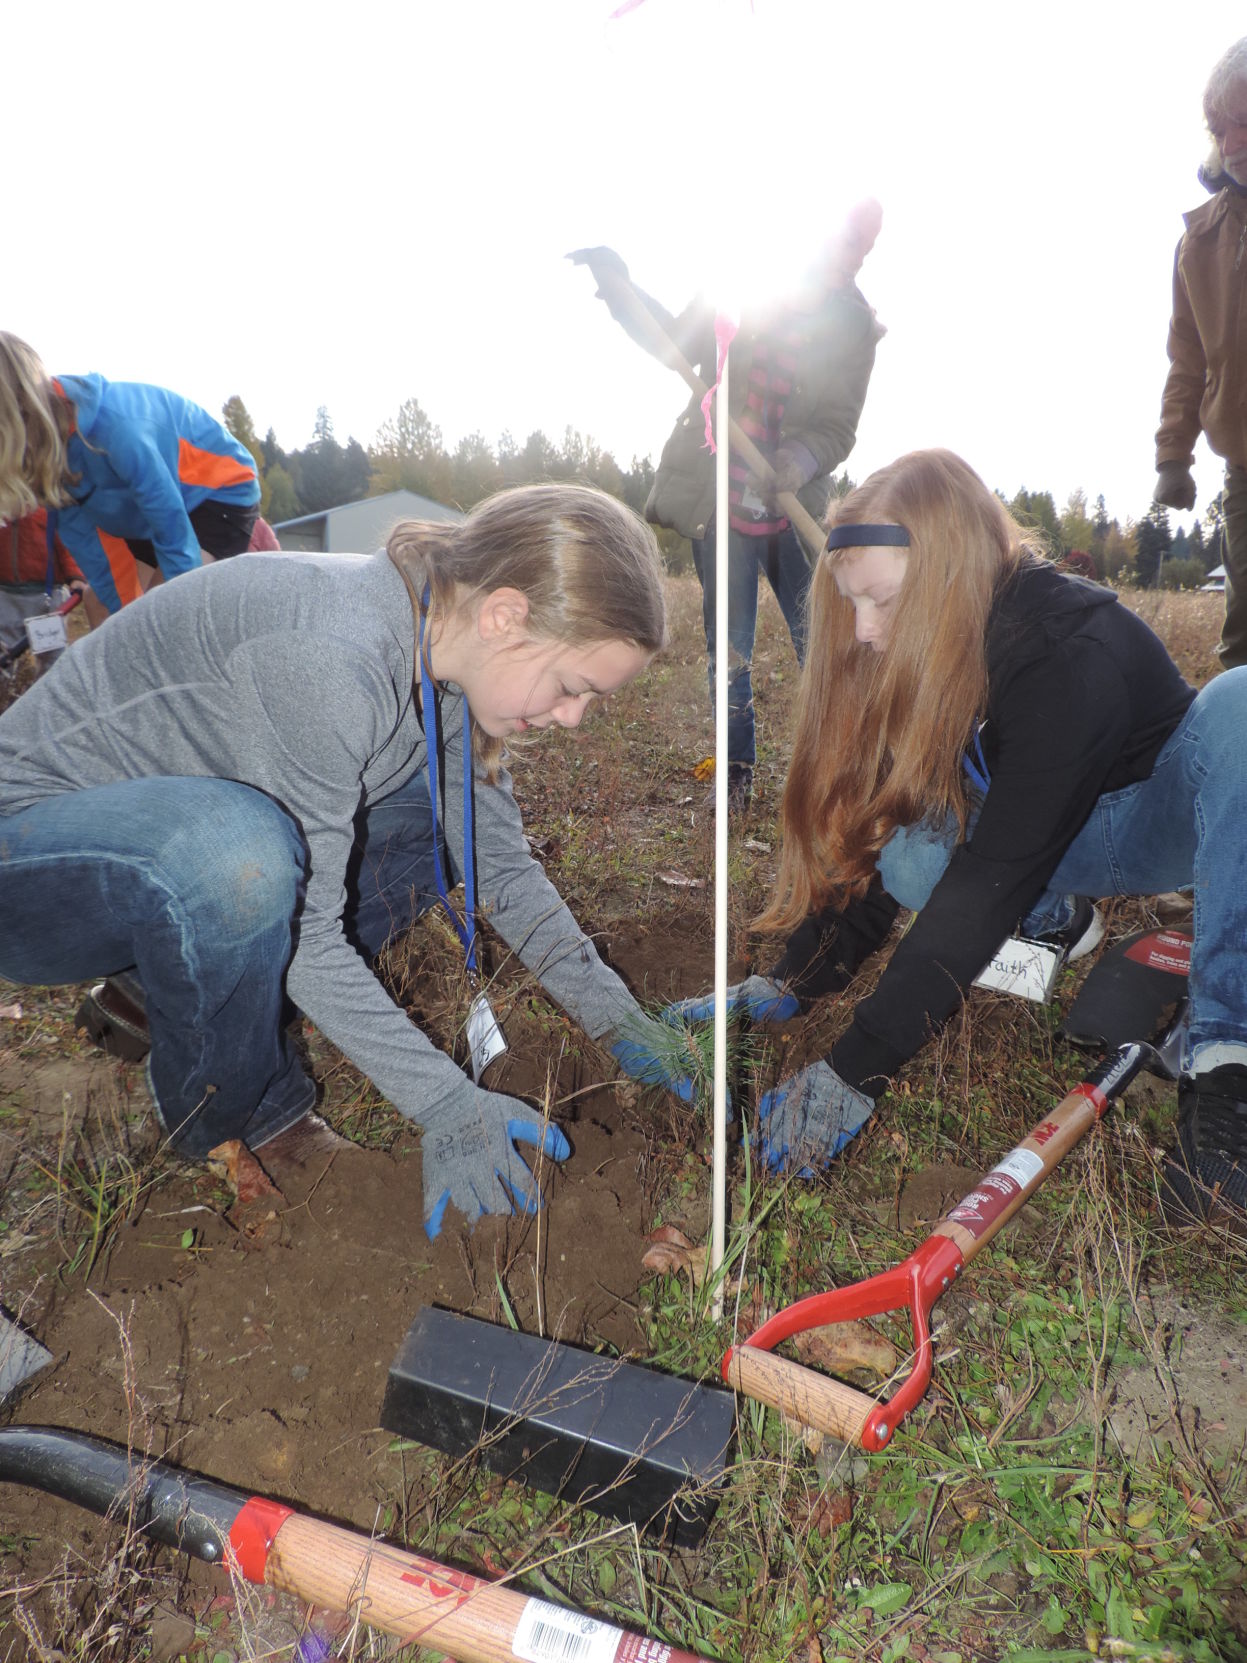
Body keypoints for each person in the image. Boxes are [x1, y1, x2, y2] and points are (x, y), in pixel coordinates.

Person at [0, 484, 692, 1238]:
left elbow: (501, 870)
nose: (571, 717)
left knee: (421, 824)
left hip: (161, 852)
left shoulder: (448, 664)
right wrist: (446, 1103)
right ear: (505, 615)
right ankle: (241, 1114)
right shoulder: (334, 654)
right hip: (33, 852)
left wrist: (622, 1024)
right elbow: (310, 934)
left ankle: (168, 981)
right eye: (571, 687)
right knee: (243, 856)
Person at [659, 450, 1247, 1227]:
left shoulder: (1066, 648)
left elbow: (985, 880)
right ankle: (1052, 920)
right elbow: (886, 821)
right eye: (851, 604)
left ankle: (1224, 1058)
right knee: (910, 851)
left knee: (1240, 704)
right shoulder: (929, 642)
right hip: (1033, 832)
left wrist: (856, 1068)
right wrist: (796, 976)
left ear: (948, 567)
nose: (865, 631)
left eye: (880, 601)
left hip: (1149, 817)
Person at [571, 203, 884, 811]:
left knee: (825, 640)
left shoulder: (855, 328)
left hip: (791, 505)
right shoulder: (741, 285)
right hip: (719, 496)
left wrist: (798, 459)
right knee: (730, 643)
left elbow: (838, 428)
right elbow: (674, 346)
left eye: (861, 253)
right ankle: (736, 767)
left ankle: (850, 768)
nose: (847, 263)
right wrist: (620, 289)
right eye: (843, 244)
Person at [0, 331, 260, 618]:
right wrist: (121, 621)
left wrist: (168, 619)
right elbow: (96, 556)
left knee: (159, 613)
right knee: (102, 605)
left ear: (15, 413)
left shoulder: (117, 429)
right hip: (140, 517)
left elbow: (171, 529)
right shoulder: (48, 461)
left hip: (216, 492)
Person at [1153, 36, 1247, 669]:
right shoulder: (1198, 244)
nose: (1234, 142)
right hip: (1245, 467)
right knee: (1245, 640)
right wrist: (1173, 455)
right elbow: (1188, 362)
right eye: (1222, 128)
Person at [0, 508, 86, 672]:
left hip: (46, 597)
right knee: (4, 656)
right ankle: (8, 692)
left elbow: (69, 543)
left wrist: (76, 575)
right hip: (5, 595)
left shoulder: (50, 507)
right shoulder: (4, 502)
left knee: (52, 658)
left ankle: (53, 692)